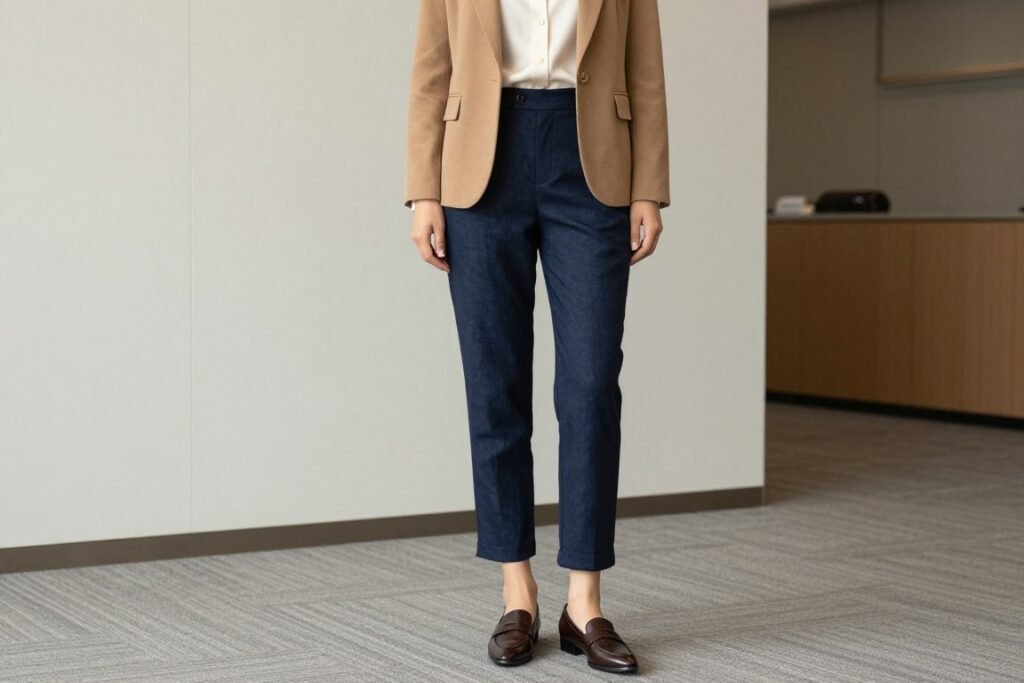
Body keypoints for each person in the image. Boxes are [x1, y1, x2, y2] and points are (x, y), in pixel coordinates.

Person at [404, 0, 669, 674]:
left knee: (588, 385)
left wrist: (650, 187)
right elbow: (431, 68)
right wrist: (423, 189)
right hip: (479, 166)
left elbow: (645, 70)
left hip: (593, 164)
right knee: (495, 382)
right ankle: (515, 589)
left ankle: (585, 601)